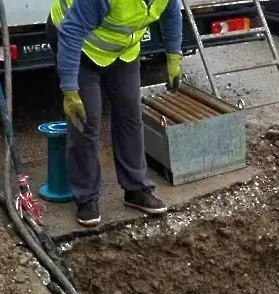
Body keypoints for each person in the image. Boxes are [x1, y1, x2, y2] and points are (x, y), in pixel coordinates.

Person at [47, 0, 183, 227]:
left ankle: (136, 188)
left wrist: (173, 54)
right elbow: (71, 31)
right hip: (78, 46)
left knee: (130, 113)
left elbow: (171, 14)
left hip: (123, 51)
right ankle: (86, 197)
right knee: (86, 120)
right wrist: (70, 90)